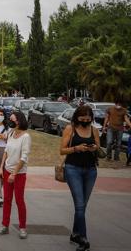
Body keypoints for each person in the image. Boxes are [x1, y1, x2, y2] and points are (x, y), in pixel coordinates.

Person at [60, 105, 100, 251]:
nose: (85, 120)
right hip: (73, 169)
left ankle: (75, 234)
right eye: (82, 118)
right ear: (77, 117)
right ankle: (83, 239)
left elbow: (99, 148)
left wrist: (94, 148)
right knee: (80, 205)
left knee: (82, 206)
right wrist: (77, 148)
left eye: (88, 118)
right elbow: (62, 150)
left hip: (90, 170)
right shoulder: (70, 129)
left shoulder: (94, 130)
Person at [0, 111, 31, 239]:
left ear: (19, 121)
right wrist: (1, 168)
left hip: (19, 173)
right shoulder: (10, 133)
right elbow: (6, 151)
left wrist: (14, 174)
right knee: (7, 200)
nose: (9, 121)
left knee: (19, 200)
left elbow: (24, 157)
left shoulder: (25, 137)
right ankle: (5, 225)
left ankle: (22, 227)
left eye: (12, 119)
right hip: (6, 170)